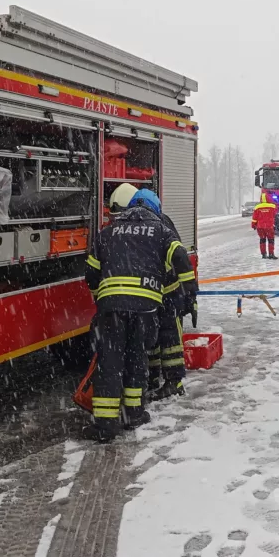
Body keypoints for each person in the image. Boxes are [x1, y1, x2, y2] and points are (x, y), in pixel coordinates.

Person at [82, 184, 193, 442]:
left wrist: (102, 297)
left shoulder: (107, 232)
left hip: (112, 308)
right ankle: (134, 414)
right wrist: (190, 291)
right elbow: (179, 255)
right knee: (136, 359)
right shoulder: (161, 231)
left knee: (109, 363)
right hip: (146, 308)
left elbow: (91, 273)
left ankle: (105, 425)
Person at [128, 188, 198, 402]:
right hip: (151, 293)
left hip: (167, 291)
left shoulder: (161, 224)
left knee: (169, 339)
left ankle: (173, 382)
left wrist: (189, 294)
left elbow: (179, 257)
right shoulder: (142, 225)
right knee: (151, 338)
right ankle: (152, 378)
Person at [251, 192, 279, 259]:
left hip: (260, 227)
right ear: (268, 198)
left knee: (262, 240)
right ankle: (271, 254)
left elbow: (254, 218)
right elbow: (276, 214)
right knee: (271, 240)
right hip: (269, 226)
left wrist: (253, 225)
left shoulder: (257, 207)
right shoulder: (272, 206)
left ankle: (263, 254)